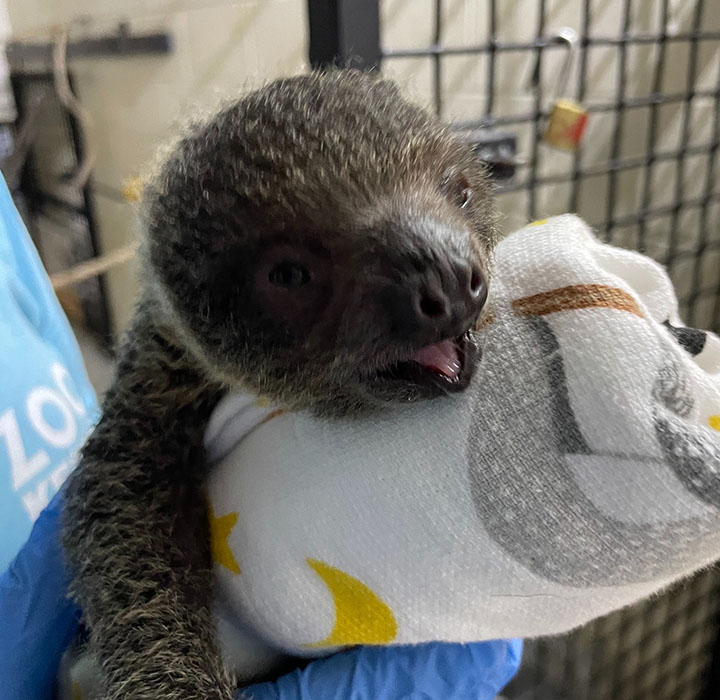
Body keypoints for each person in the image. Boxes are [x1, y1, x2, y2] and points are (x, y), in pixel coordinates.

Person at [0, 172, 521, 699]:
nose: (452, 288)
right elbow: (130, 483)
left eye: (450, 197)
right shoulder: (182, 337)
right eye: (293, 274)